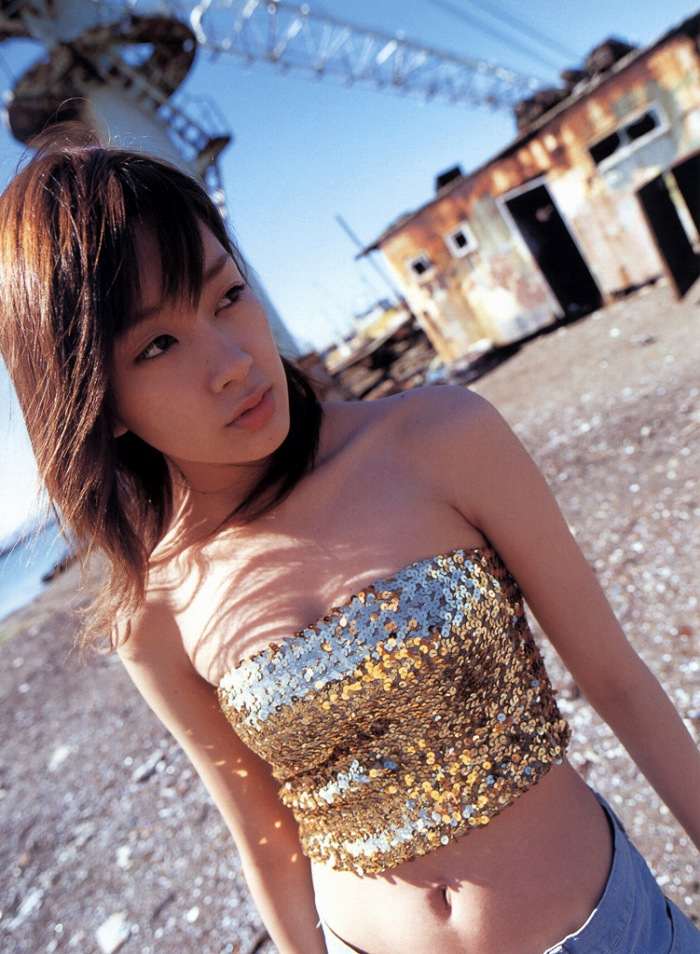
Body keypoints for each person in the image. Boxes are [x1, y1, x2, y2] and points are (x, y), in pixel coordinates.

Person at [0, 136, 698, 954]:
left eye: (228, 296)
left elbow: (618, 680)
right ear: (100, 401)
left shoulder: (439, 436)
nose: (232, 362)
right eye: (157, 346)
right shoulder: (153, 612)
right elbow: (264, 837)